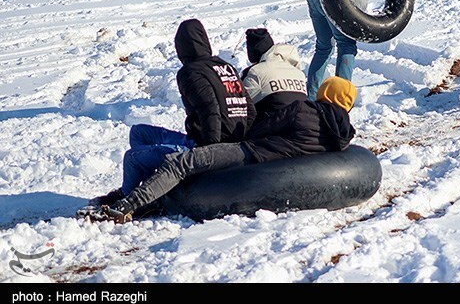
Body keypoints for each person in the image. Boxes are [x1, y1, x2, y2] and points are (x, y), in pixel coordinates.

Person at [84, 76, 358, 224]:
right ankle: (145, 201)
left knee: (182, 162)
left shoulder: (303, 110)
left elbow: (261, 128)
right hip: (275, 165)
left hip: (249, 153)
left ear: (326, 93)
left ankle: (128, 204)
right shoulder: (342, 135)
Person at [81, 19, 256, 210]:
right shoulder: (225, 67)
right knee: (139, 133)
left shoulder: (191, 72)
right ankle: (154, 185)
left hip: (206, 146)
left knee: (132, 158)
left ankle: (130, 196)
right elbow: (251, 110)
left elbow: (210, 111)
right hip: (224, 142)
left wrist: (206, 153)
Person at [240, 27, 308, 116]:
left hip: (275, 126)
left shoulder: (255, 71)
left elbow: (240, 105)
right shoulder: (299, 74)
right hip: (302, 122)